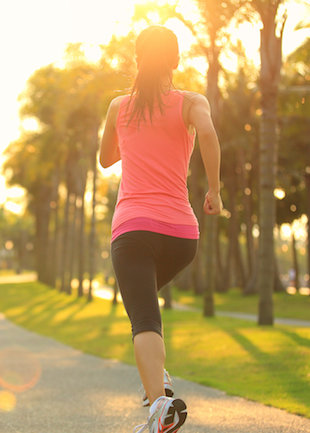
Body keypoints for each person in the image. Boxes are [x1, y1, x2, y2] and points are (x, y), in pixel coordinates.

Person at [99, 25, 223, 433]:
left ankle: (159, 409)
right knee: (143, 306)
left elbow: (106, 159)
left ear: (137, 61)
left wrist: (132, 134)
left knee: (144, 319)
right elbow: (207, 132)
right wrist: (214, 191)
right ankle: (160, 382)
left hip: (133, 231)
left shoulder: (119, 107)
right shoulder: (191, 102)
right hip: (181, 235)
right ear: (175, 60)